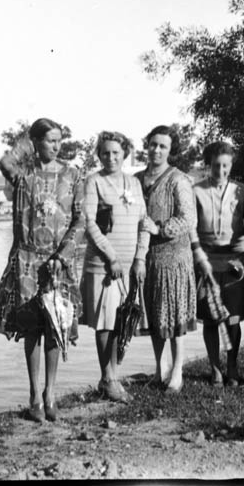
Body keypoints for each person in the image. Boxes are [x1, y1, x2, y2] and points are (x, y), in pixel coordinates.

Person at [0, 118, 85, 423]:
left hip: (57, 262)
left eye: (59, 140)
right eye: (49, 140)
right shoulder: (23, 175)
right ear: (36, 142)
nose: (56, 146)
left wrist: (64, 254)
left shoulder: (73, 174)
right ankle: (33, 396)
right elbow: (5, 160)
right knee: (32, 329)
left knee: (55, 326)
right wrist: (29, 140)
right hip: (28, 261)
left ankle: (51, 393)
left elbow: (80, 220)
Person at [81, 131, 149, 402]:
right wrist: (111, 257)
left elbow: (144, 222)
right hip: (103, 265)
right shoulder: (93, 182)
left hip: (129, 265)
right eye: (105, 153)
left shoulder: (133, 183)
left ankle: (110, 376)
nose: (110, 157)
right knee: (105, 323)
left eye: (116, 153)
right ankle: (108, 378)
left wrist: (140, 257)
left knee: (122, 321)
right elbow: (89, 223)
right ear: (99, 155)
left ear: (125, 155)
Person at [138, 125, 200, 391]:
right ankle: (159, 368)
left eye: (163, 146)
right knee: (154, 314)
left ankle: (178, 370)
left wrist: (160, 229)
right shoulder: (137, 179)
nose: (157, 150)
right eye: (153, 144)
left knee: (174, 316)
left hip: (174, 257)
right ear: (146, 146)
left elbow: (189, 218)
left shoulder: (178, 179)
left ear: (170, 150)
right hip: (149, 257)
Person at [193, 141, 244, 386]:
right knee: (210, 317)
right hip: (208, 261)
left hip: (235, 263)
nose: (221, 171)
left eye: (226, 165)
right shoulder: (196, 190)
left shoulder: (242, 191)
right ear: (209, 165)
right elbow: (191, 228)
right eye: (216, 165)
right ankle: (214, 367)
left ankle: (232, 366)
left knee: (233, 318)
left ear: (231, 165)